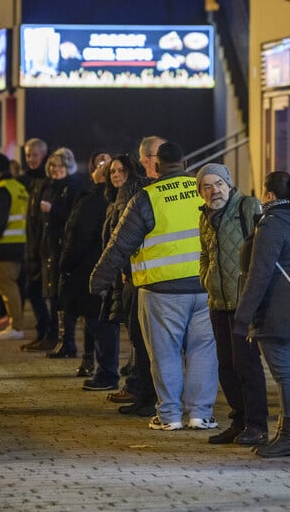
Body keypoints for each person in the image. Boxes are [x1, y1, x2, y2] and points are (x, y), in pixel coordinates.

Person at [91, 142, 218, 431]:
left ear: (157, 167)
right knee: (203, 353)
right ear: (185, 164)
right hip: (204, 287)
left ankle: (170, 416)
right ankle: (201, 414)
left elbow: (119, 245)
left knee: (165, 354)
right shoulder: (205, 191)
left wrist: (99, 280)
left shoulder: (146, 198)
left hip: (161, 292)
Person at [233, 171, 290, 457]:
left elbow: (259, 275)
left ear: (270, 196)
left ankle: (288, 438)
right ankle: (286, 434)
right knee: (288, 374)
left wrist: (242, 318)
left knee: (285, 375)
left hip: (277, 312)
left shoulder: (272, 225)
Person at [196, 162, 269, 446]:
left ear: (229, 184)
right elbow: (204, 253)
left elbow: (263, 249)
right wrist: (206, 278)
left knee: (246, 365)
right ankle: (239, 421)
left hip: (244, 302)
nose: (215, 190)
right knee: (226, 366)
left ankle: (257, 425)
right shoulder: (204, 217)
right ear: (201, 192)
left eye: (219, 184)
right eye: (207, 186)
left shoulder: (247, 207)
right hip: (218, 302)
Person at [100, 154, 156, 416]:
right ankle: (139, 389)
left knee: (140, 338)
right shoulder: (116, 198)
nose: (115, 174)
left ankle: (142, 392)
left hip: (135, 276)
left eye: (121, 170)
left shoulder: (133, 197)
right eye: (112, 171)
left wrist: (119, 271)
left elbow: (124, 239)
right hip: (129, 276)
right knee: (136, 337)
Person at [59, 152, 119, 389]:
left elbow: (78, 236)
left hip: (90, 268)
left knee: (99, 323)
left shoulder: (94, 200)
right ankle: (103, 369)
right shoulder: (99, 198)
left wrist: (66, 264)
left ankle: (107, 373)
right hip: (98, 267)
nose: (101, 168)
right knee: (99, 322)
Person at [39, 148, 84, 357]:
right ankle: (59, 338)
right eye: (52, 166)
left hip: (63, 247)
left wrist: (52, 210)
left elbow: (73, 218)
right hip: (50, 246)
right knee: (53, 294)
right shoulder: (50, 187)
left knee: (62, 295)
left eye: (60, 166)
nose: (55, 169)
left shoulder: (73, 188)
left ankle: (67, 341)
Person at [0, 153, 29, 341]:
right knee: (15, 287)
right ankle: (14, 323)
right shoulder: (20, 188)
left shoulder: (1, 189)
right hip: (21, 244)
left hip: (4, 246)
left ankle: (16, 326)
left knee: (7, 288)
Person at [18, 138, 53, 347]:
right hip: (31, 243)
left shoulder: (45, 181)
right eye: (28, 155)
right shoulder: (27, 181)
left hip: (41, 245)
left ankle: (48, 333)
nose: (31, 159)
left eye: (34, 155)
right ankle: (44, 332)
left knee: (37, 289)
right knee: (32, 289)